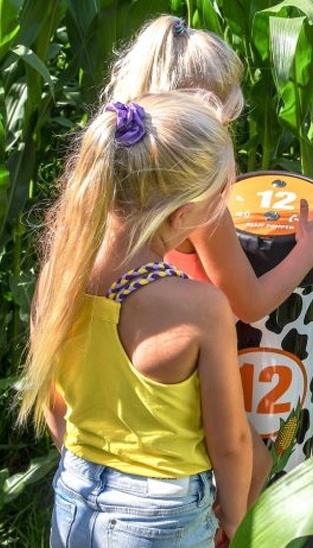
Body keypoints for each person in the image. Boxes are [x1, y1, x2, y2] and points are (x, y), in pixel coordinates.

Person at [18, 92, 253, 548]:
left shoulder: (60, 275)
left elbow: (55, 405)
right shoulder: (201, 308)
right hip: (162, 517)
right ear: (184, 213)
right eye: (222, 194)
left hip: (74, 499)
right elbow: (231, 443)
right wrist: (239, 520)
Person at [103, 14, 313, 323]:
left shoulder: (116, 163)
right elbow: (251, 305)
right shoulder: (201, 202)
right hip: (193, 342)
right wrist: (308, 250)